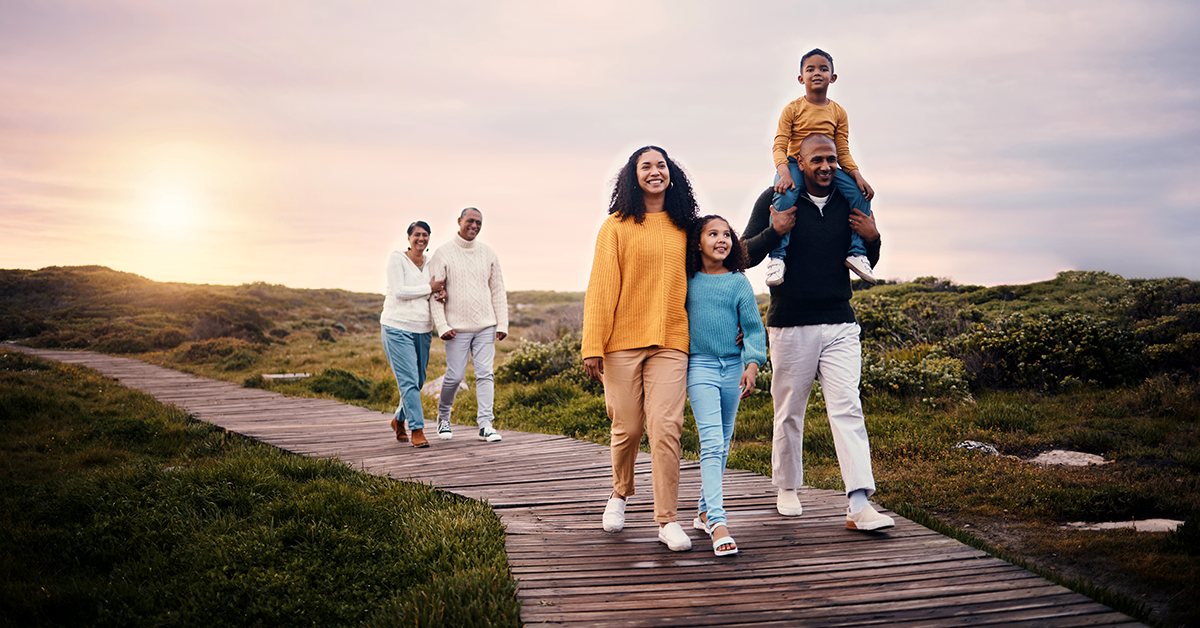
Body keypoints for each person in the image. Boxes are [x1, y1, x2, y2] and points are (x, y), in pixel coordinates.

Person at [743, 133, 895, 531]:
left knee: (847, 407)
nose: (826, 167)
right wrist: (774, 231)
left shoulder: (849, 197)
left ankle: (859, 503)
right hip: (790, 323)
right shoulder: (777, 196)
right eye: (817, 160)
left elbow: (865, 258)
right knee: (789, 411)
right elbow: (744, 254)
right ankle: (788, 486)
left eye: (831, 159)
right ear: (800, 162)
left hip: (840, 320)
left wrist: (874, 237)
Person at [582, 145, 699, 552]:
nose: (654, 172)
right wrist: (592, 345)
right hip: (620, 343)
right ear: (633, 176)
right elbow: (601, 289)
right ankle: (619, 492)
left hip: (671, 339)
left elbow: (718, 269)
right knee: (627, 427)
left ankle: (667, 520)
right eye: (645, 166)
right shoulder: (615, 226)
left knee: (666, 429)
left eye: (660, 165)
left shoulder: (687, 226)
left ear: (671, 174)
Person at [684, 215, 767, 556]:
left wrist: (752, 364)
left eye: (727, 234)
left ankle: (704, 510)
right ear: (697, 242)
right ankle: (718, 522)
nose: (722, 239)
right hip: (699, 366)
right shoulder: (686, 280)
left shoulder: (738, 282)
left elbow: (753, 328)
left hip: (733, 367)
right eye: (713, 234)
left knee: (723, 440)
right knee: (712, 441)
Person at [767, 47, 877, 287]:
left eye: (823, 68)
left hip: (828, 166)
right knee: (785, 197)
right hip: (796, 164)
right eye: (810, 69)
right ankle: (777, 257)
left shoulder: (838, 112)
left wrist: (857, 176)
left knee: (862, 196)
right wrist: (784, 173)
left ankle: (856, 252)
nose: (817, 73)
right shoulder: (792, 109)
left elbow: (843, 150)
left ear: (832, 77)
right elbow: (779, 145)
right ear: (801, 78)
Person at [429, 207, 508, 443]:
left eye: (479, 222)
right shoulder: (443, 254)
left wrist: (501, 323)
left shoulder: (488, 254)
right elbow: (435, 295)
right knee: (454, 377)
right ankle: (443, 418)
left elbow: (498, 290)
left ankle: (486, 425)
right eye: (470, 221)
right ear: (459, 221)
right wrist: (442, 326)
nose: (474, 225)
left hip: (485, 327)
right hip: (456, 330)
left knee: (485, 375)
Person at [380, 221, 445, 449]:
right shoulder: (397, 258)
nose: (421, 238)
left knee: (417, 381)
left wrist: (441, 293)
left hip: (423, 329)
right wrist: (430, 288)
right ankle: (417, 429)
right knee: (408, 381)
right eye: (417, 234)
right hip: (397, 327)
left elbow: (436, 290)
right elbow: (400, 291)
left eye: (425, 235)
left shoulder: (430, 263)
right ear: (409, 238)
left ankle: (398, 420)